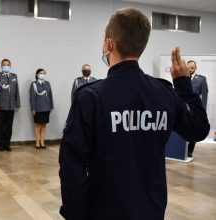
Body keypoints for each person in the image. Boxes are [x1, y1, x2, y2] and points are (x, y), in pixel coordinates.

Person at [59, 8, 209, 220]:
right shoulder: (164, 92)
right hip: (152, 208)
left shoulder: (91, 97)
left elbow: (71, 165)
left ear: (109, 44)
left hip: (104, 211)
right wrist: (183, 85)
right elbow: (198, 129)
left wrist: (77, 214)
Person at [0, 59, 21, 151]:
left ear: (10, 66)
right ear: (1, 66)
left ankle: (7, 144)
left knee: (9, 126)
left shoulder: (14, 76)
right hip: (1, 105)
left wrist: (17, 104)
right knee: (0, 126)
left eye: (8, 65)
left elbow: (17, 90)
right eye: (4, 65)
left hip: (11, 105)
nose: (6, 66)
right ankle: (0, 144)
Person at [187, 60, 208, 158]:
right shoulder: (182, 78)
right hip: (182, 108)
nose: (190, 69)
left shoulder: (201, 80)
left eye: (192, 68)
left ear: (195, 68)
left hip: (194, 110)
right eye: (188, 67)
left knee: (192, 129)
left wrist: (202, 111)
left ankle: (189, 151)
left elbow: (204, 97)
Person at [29, 68, 54, 149]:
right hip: (38, 108)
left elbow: (50, 95)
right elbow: (32, 97)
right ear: (37, 75)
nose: (42, 74)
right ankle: (37, 142)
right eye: (40, 73)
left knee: (44, 125)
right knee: (37, 125)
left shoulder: (47, 83)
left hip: (46, 107)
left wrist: (51, 106)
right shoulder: (34, 84)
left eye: (44, 73)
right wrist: (33, 108)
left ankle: (42, 142)